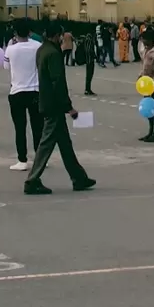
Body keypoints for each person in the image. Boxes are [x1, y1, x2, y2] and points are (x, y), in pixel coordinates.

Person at [23, 33, 95, 195]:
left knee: (65, 144)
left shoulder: (42, 50)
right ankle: (32, 180)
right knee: (46, 144)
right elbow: (58, 82)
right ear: (56, 36)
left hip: (46, 100)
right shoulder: (54, 54)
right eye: (61, 35)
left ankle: (79, 177)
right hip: (53, 105)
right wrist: (68, 107)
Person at [4, 21, 41, 171]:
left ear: (15, 33)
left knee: (20, 128)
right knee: (37, 127)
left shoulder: (11, 50)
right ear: (30, 32)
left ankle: (22, 160)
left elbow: (6, 66)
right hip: (35, 90)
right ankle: (40, 157)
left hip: (17, 91)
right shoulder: (37, 47)